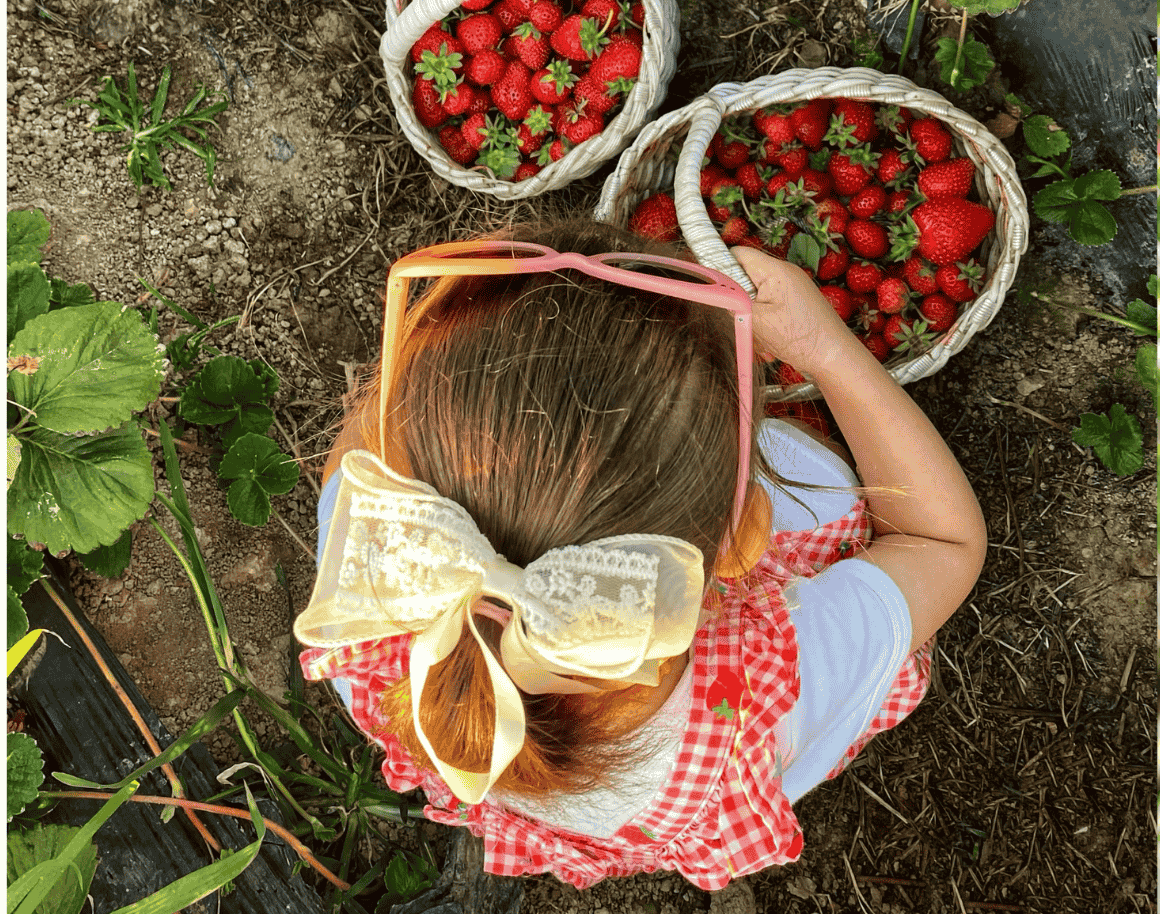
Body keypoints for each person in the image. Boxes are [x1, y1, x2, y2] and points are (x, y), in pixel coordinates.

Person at [294, 217, 987, 891]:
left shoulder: (372, 592)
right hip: (730, 747)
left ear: (393, 490)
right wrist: (825, 348)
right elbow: (942, 541)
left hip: (612, 803)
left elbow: (365, 442)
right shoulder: (784, 678)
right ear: (745, 534)